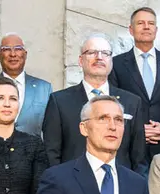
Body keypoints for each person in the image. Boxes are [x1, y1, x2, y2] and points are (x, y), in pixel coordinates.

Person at [42, 33, 147, 174]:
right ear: (80, 60)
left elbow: (139, 157)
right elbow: (51, 154)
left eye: (105, 53)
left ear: (111, 61)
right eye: (91, 52)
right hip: (73, 187)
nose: (99, 57)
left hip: (119, 187)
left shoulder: (132, 102)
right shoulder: (59, 101)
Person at [109, 7, 160, 163]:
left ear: (156, 30)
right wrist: (136, 130)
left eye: (151, 23)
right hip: (130, 149)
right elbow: (113, 105)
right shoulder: (116, 64)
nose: (146, 27)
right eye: (140, 23)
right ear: (131, 30)